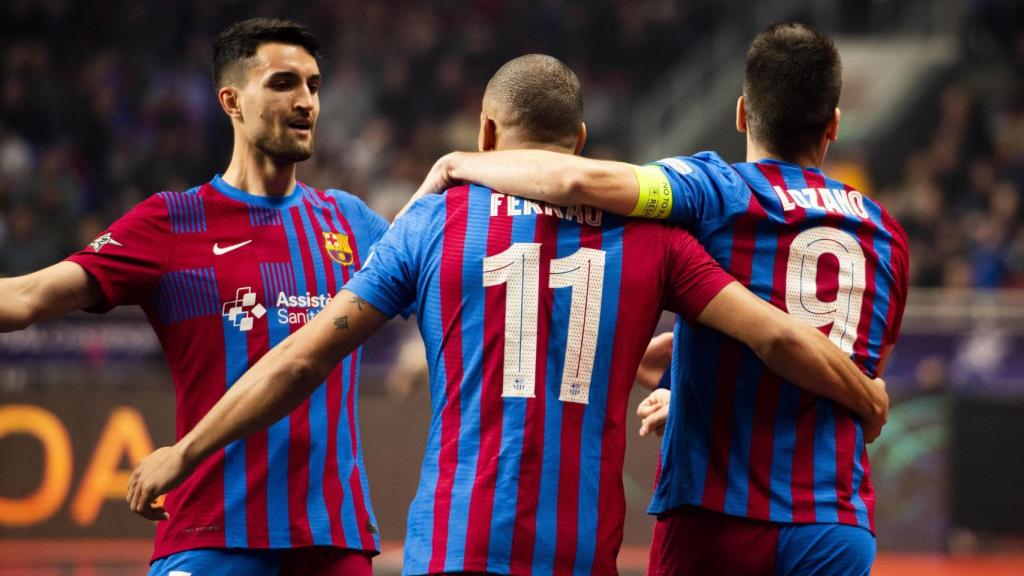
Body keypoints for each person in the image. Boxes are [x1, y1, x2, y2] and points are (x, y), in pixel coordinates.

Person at [126, 54, 887, 575]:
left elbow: (299, 360)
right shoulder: (659, 240)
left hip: (457, 544)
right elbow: (774, 336)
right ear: (582, 142)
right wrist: (861, 391)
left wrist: (185, 452)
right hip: (582, 550)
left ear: (486, 137)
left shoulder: (431, 223)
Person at [413, 23, 909, 575]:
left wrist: (460, 163)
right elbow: (841, 365)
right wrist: (703, 387)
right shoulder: (887, 234)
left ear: (742, 112)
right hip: (833, 523)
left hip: (716, 518)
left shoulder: (715, 189)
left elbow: (581, 184)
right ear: (833, 126)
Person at [0, 18, 386, 575]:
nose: (306, 102)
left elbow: (450, 272)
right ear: (231, 100)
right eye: (283, 83)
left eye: (313, 86)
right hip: (210, 534)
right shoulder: (172, 222)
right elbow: (27, 296)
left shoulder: (350, 221)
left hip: (331, 540)